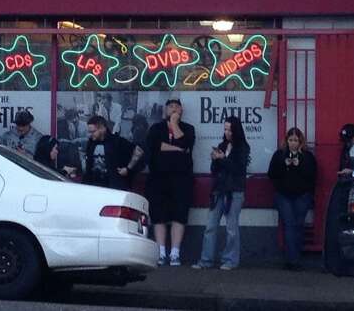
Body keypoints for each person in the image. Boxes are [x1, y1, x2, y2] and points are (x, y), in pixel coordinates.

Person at [194, 116, 250, 270]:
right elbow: (215, 170)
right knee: (210, 226)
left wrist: (223, 158)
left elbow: (238, 169)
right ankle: (206, 259)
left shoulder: (243, 148)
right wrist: (215, 159)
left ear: (236, 130)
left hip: (234, 191)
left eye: (229, 129)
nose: (227, 132)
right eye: (225, 129)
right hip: (219, 189)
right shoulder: (222, 145)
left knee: (231, 228)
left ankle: (230, 260)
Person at [144, 99, 195, 266]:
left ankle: (175, 253)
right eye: (170, 106)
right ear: (165, 110)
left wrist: (174, 124)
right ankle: (161, 252)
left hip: (181, 179)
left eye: (177, 106)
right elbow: (154, 148)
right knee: (158, 216)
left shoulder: (188, 129)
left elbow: (186, 144)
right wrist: (177, 149)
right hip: (158, 178)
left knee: (179, 215)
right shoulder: (156, 129)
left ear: (181, 110)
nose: (173, 109)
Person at [269, 127, 317, 270]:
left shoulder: (307, 156)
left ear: (301, 141)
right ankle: (292, 260)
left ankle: (295, 257)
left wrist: (299, 164)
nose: (293, 143)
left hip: (302, 196)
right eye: (290, 140)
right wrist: (284, 165)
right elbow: (271, 173)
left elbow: (313, 175)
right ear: (286, 141)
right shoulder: (279, 155)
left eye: (296, 140)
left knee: (298, 225)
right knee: (289, 225)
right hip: (284, 195)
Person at [82, 114, 143, 190]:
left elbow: (139, 151)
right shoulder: (91, 143)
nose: (90, 135)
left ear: (102, 128)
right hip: (94, 185)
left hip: (112, 186)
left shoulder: (116, 141)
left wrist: (128, 169)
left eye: (93, 132)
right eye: (89, 132)